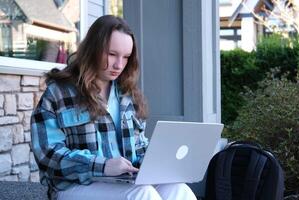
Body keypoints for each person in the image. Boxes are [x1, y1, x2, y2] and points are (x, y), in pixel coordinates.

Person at [31, 15, 197, 200]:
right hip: (75, 186)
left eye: (126, 57)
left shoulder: (127, 94)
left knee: (178, 189)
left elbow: (139, 146)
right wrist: (102, 165)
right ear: (93, 49)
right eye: (111, 54)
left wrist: (155, 163)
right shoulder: (58, 93)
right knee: (142, 194)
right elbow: (48, 155)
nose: (119, 65)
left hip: (123, 182)